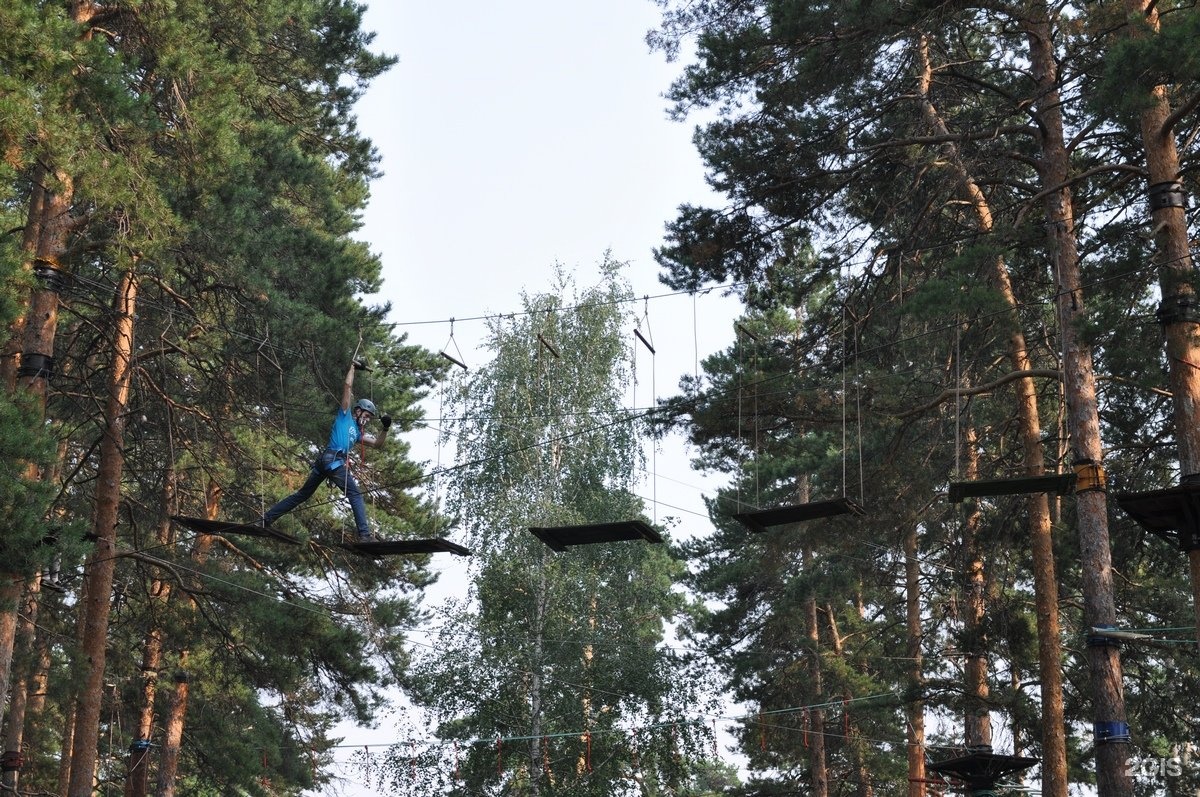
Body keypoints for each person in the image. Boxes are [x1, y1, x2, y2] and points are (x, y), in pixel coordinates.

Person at [261, 359, 390, 541]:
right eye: (366, 415)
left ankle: (267, 518)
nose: (367, 420)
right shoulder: (345, 416)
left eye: (370, 418)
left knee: (302, 495)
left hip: (325, 462)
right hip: (333, 460)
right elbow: (347, 387)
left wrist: (385, 429)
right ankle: (365, 535)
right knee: (354, 494)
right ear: (358, 411)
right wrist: (352, 367)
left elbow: (377, 444)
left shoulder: (358, 434)